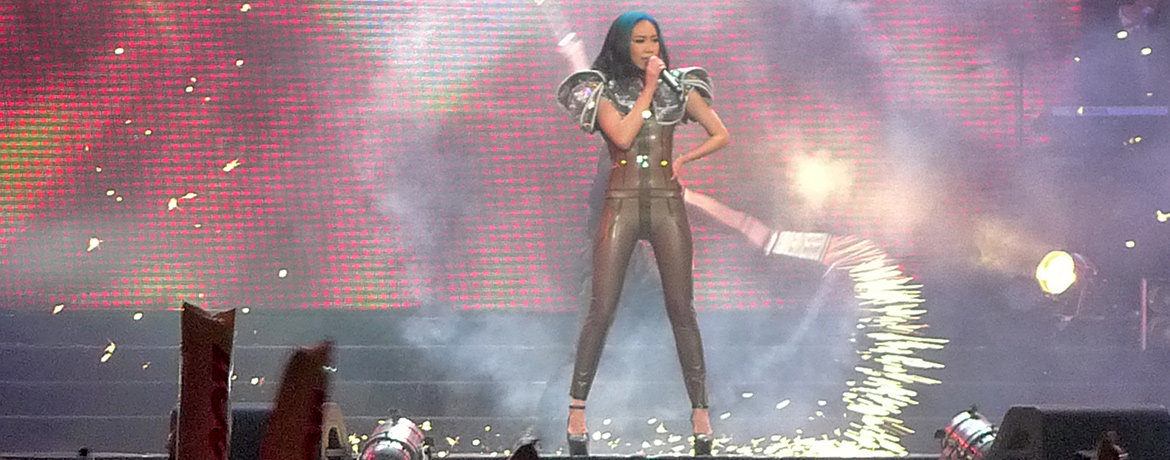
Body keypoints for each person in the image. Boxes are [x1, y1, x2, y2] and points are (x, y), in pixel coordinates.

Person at [555, 11, 730, 456]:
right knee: (601, 308)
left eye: (654, 39)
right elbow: (623, 134)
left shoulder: (679, 86)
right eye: (639, 41)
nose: (649, 48)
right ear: (622, 44)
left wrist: (686, 159)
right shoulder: (600, 89)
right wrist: (650, 87)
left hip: (667, 204)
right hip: (622, 203)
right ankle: (577, 408)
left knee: (682, 309)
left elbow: (720, 133)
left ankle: (700, 411)